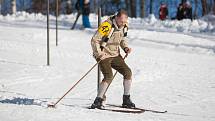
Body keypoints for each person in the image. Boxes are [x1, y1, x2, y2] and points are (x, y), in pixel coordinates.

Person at [90, 9, 135, 109]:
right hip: (104, 54)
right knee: (109, 76)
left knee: (128, 72)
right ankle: (98, 100)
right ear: (117, 17)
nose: (123, 23)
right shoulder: (107, 25)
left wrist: (126, 48)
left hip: (115, 54)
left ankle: (126, 99)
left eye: (125, 21)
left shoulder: (124, 26)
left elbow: (122, 39)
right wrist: (99, 54)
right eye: (121, 21)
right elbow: (94, 40)